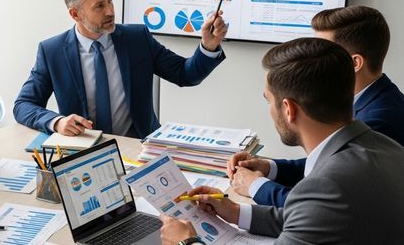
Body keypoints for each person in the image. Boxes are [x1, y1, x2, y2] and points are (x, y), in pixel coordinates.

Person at [160, 37, 404, 244]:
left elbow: (315, 210)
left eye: (268, 100)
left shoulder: (326, 185)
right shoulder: (388, 148)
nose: (269, 109)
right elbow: (311, 218)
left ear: (288, 109)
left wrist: (187, 241)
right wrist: (235, 212)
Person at [13, 0, 227, 138]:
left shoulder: (137, 39)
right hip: (84, 154)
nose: (110, 11)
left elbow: (185, 74)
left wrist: (208, 46)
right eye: (99, 6)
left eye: (110, 1)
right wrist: (57, 122)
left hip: (139, 148)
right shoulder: (52, 51)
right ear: (75, 14)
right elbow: (23, 105)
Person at [228, 6, 404, 207]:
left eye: (324, 50)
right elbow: (325, 163)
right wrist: (269, 168)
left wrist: (256, 186)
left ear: (354, 63)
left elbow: (317, 202)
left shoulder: (379, 121)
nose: (312, 58)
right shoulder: (377, 98)